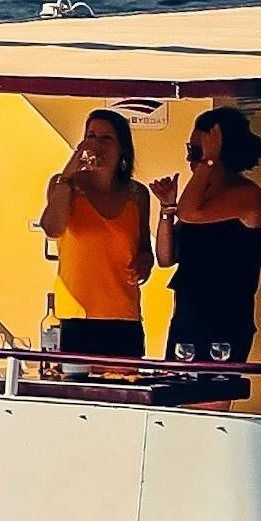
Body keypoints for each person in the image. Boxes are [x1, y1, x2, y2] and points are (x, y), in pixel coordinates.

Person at [152, 105, 261, 367]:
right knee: (177, 401)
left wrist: (208, 160)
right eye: (191, 151)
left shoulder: (248, 195)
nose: (190, 161)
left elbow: (190, 213)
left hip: (224, 317)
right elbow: (165, 258)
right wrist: (165, 211)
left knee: (210, 400)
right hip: (187, 314)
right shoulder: (199, 197)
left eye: (195, 152)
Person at [40, 107, 154, 362]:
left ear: (122, 148)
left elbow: (145, 248)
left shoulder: (137, 194)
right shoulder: (65, 186)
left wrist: (145, 262)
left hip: (123, 316)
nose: (96, 144)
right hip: (74, 316)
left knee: (124, 395)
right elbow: (52, 228)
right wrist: (68, 175)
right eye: (90, 136)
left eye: (106, 138)